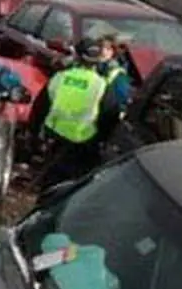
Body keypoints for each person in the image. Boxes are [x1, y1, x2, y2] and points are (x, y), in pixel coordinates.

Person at [30, 37, 124, 189]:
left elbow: (39, 109)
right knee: (73, 190)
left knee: (50, 187)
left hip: (55, 141)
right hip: (84, 145)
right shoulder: (101, 85)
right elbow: (110, 117)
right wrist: (100, 140)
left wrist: (34, 137)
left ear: (77, 57)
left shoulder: (60, 78)